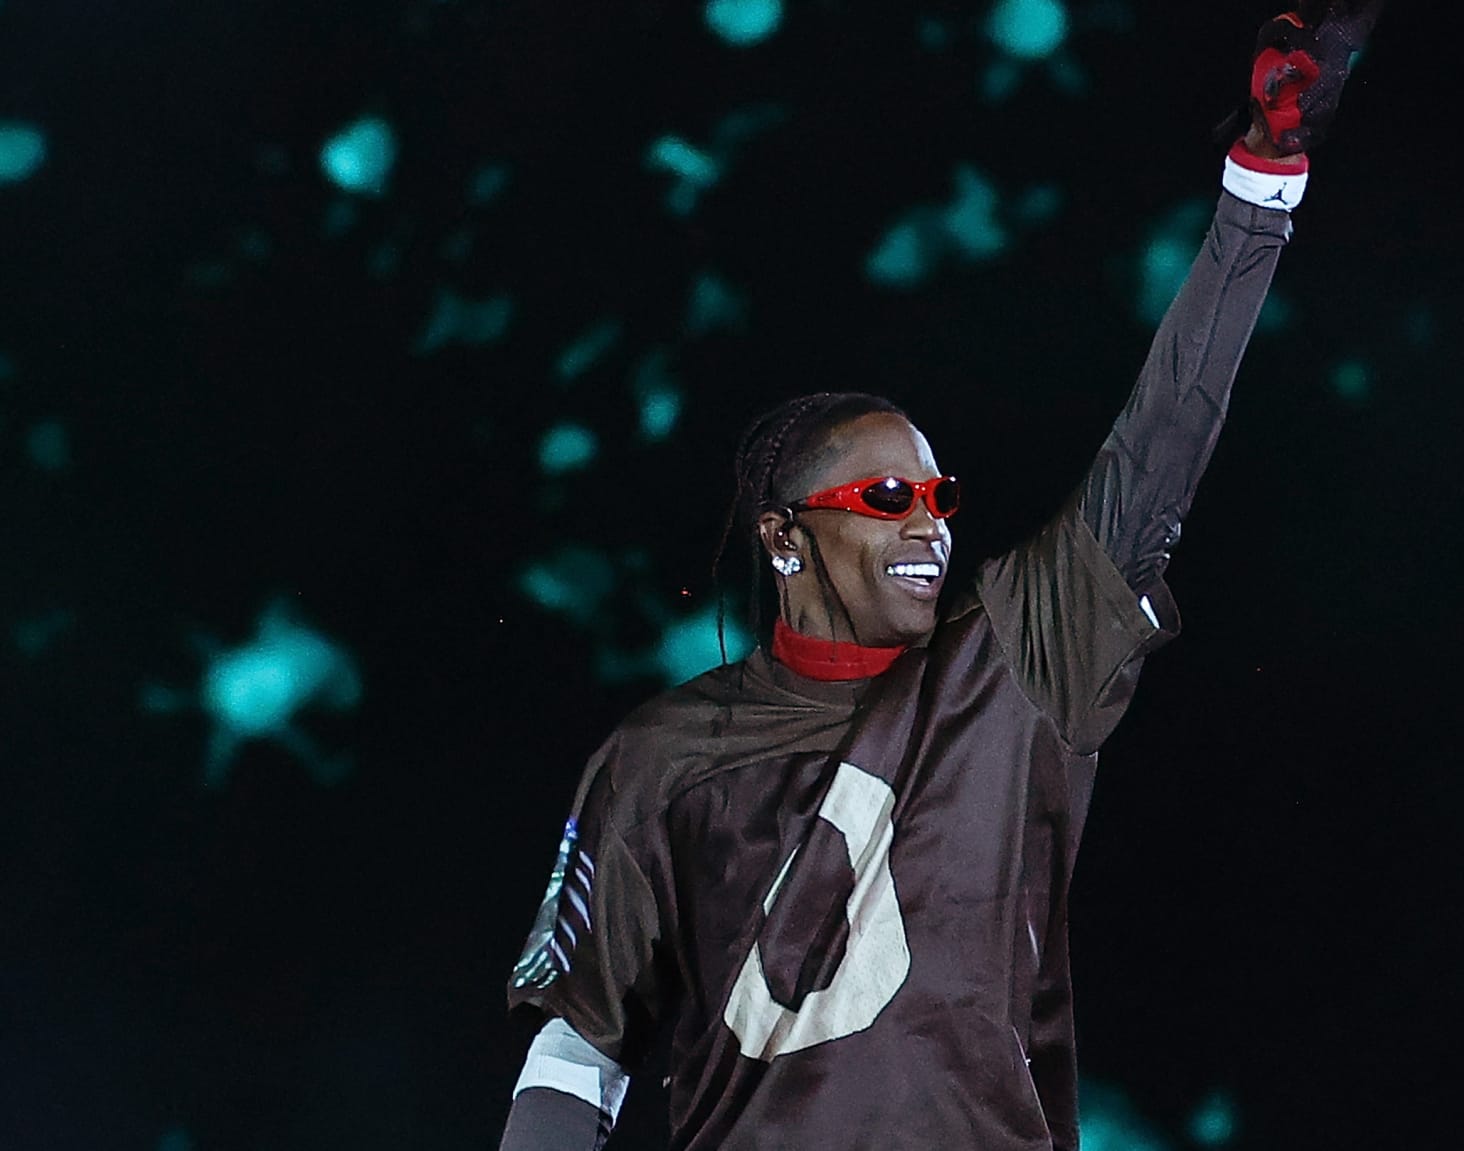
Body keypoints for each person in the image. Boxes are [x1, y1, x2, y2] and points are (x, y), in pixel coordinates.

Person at [498, 6, 1386, 1148]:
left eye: (937, 496)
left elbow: (1152, 458)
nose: (928, 524)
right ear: (782, 540)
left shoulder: (1012, 662)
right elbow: (581, 1044)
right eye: (882, 499)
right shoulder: (661, 754)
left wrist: (1257, 193)